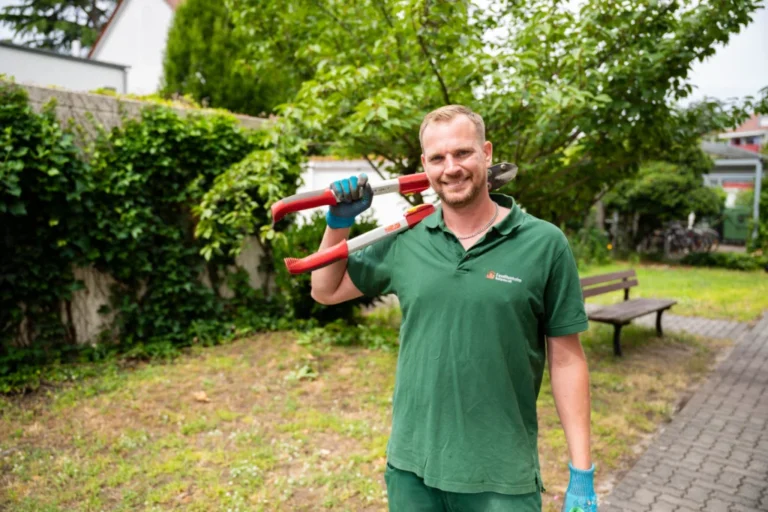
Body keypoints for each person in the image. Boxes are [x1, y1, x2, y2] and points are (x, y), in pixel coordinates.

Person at [310, 105, 597, 512]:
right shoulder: (407, 238)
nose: (452, 168)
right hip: (412, 470)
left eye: (463, 153)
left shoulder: (544, 244)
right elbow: (325, 289)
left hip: (500, 478)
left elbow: (568, 360)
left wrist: (581, 473)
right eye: (438, 158)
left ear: (487, 153)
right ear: (424, 165)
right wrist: (337, 224)